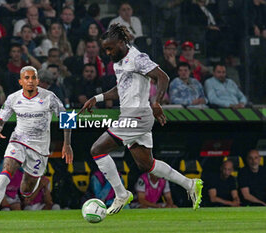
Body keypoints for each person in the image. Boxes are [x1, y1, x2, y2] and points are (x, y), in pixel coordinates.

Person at [79, 24, 203, 215]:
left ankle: (121, 194)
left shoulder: (137, 58)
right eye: (105, 49)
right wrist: (98, 98)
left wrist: (157, 102)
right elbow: (121, 90)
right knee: (147, 164)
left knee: (97, 149)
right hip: (131, 114)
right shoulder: (118, 62)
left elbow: (163, 77)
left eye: (110, 48)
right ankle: (190, 184)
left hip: (137, 115)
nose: (108, 52)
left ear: (121, 42)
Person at [0, 66, 73, 223]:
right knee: (5, 174)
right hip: (18, 140)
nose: (30, 81)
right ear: (20, 81)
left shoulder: (50, 97)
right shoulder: (13, 98)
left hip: (40, 148)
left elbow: (68, 118)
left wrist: (67, 143)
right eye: (26, 78)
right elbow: (0, 121)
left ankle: (32, 181)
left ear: (37, 81)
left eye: (33, 78)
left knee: (26, 191)